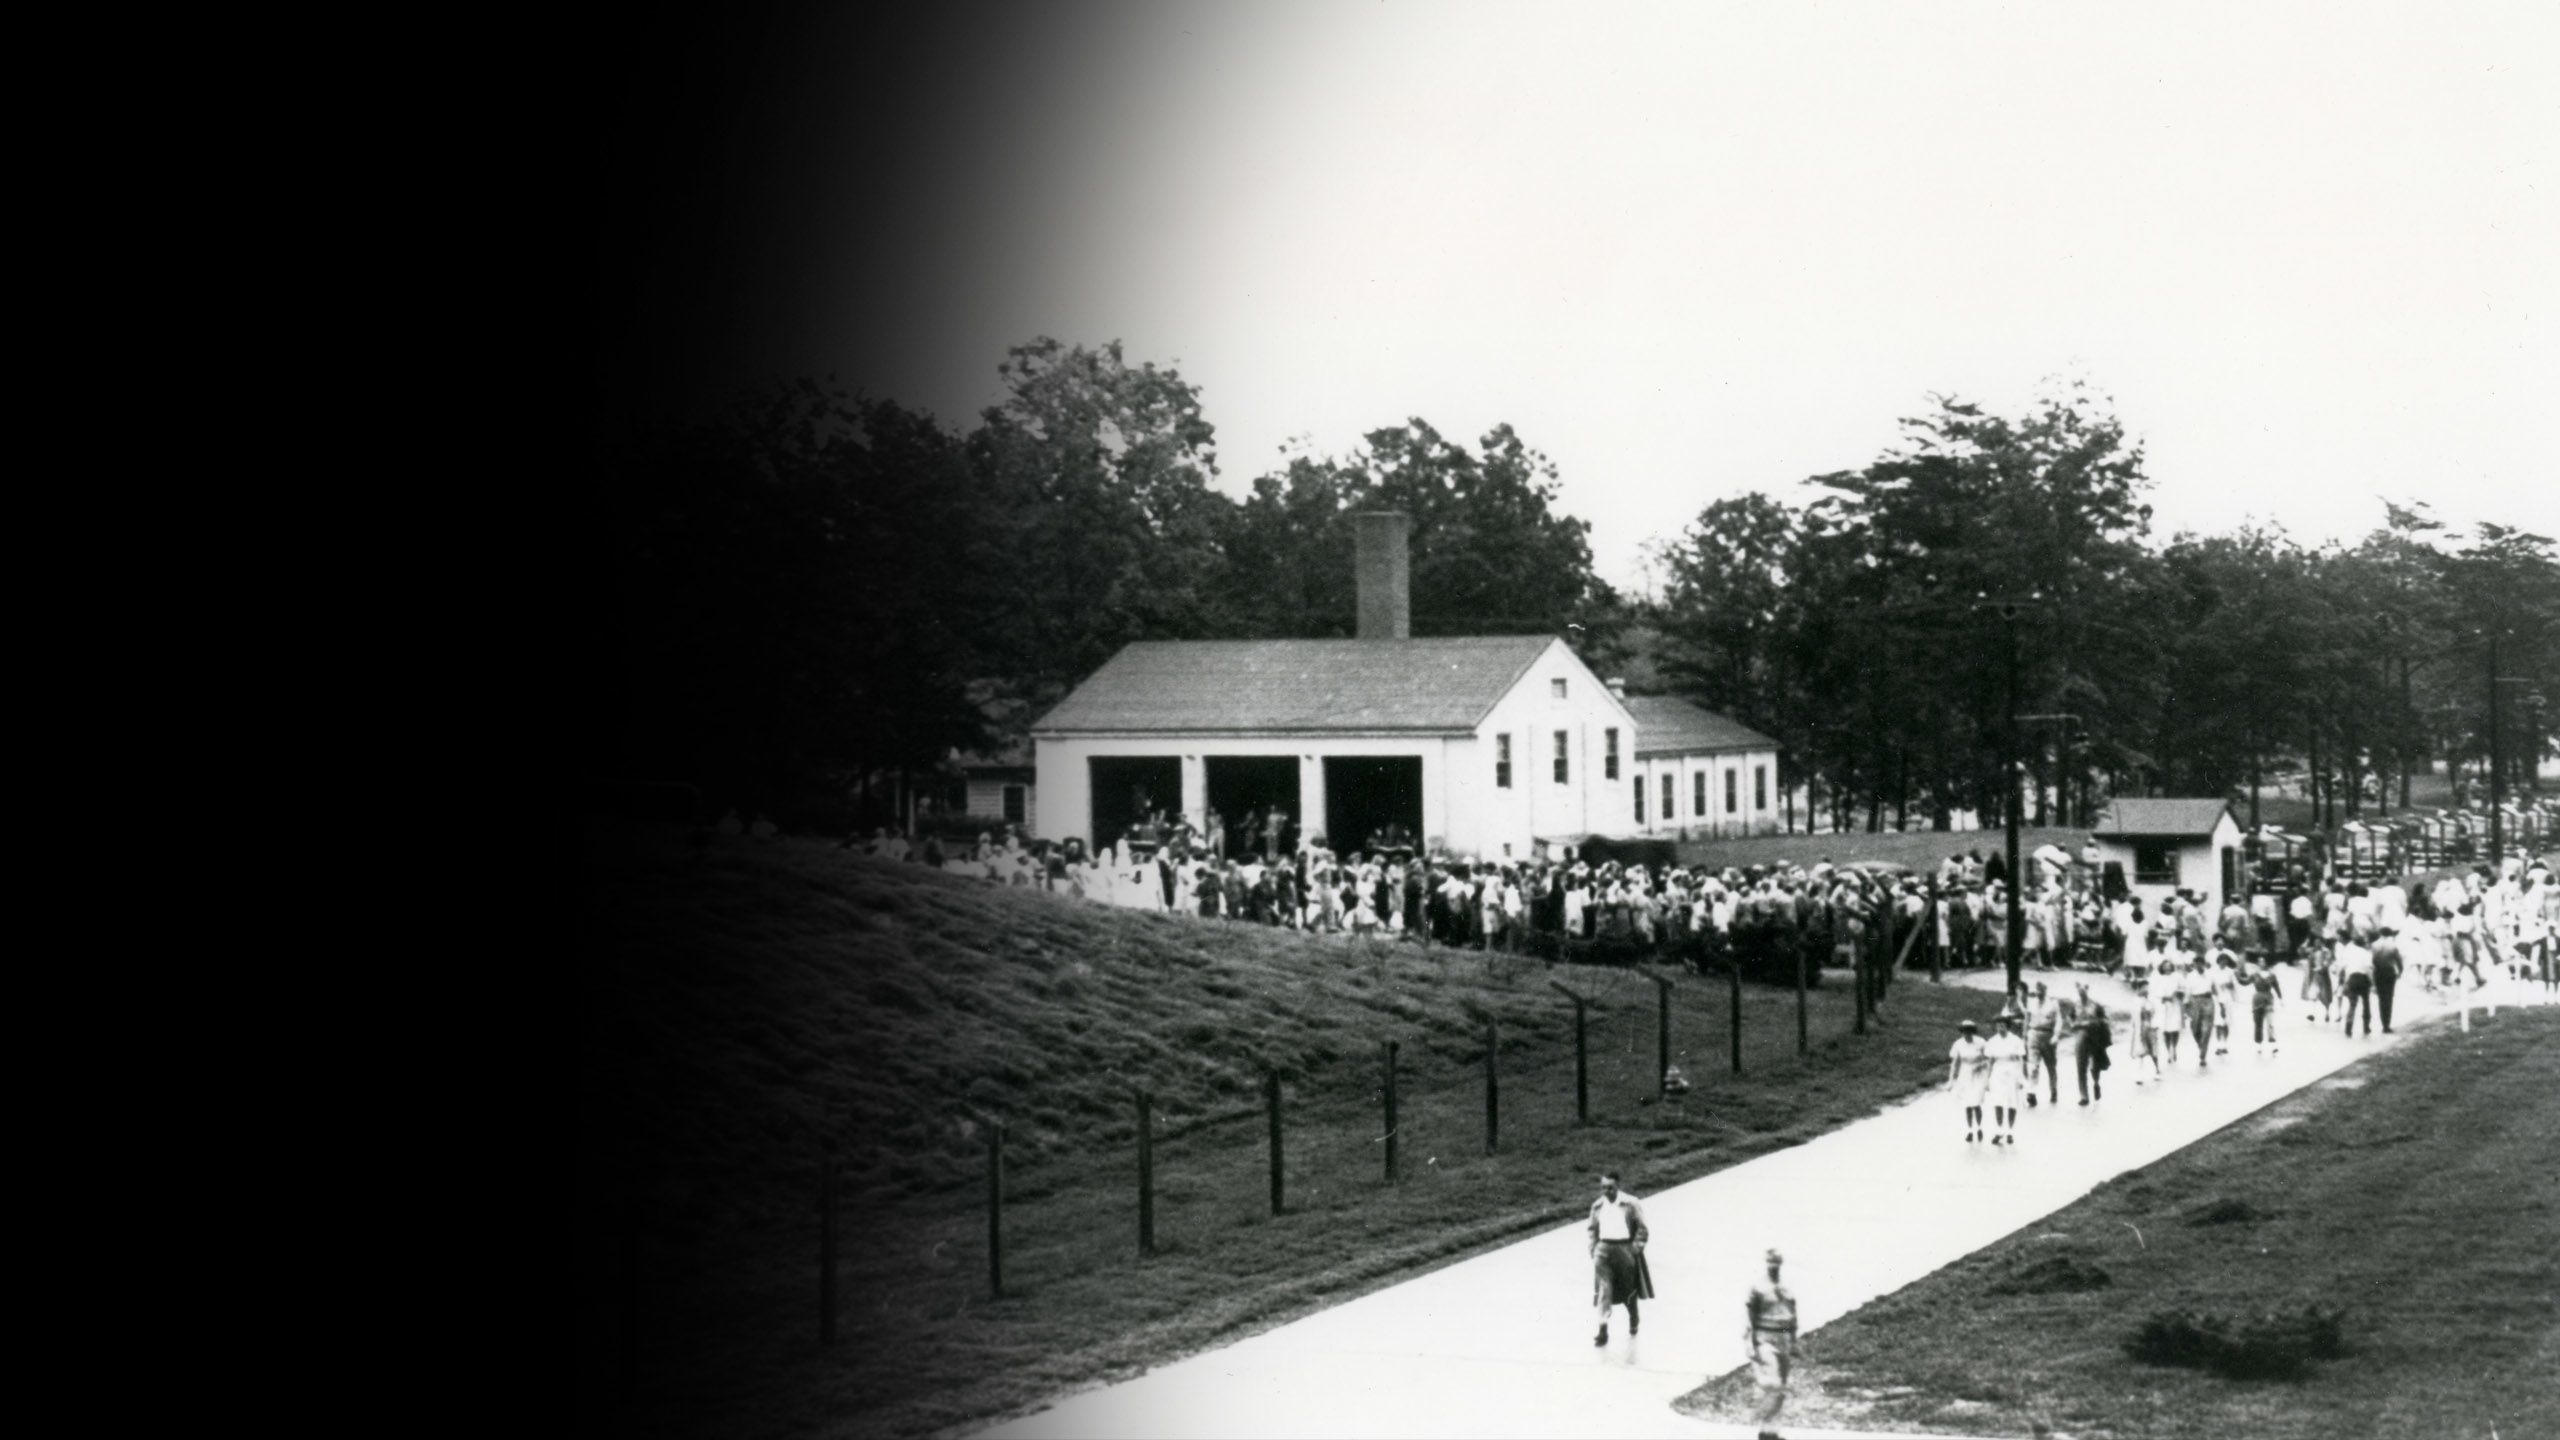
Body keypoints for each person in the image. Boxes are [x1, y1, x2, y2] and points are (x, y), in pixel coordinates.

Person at [1588, 1168, 1652, 1346]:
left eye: (1610, 1188)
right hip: (1603, 1249)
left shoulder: (1631, 1203)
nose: (1606, 1192)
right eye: (1603, 1188)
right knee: (1604, 1289)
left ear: (1618, 1186)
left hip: (1624, 1249)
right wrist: (1593, 1249)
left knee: (1627, 1290)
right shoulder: (1597, 1206)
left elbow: (1642, 1228)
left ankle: (1633, 1316)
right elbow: (1592, 1229)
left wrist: (1636, 1248)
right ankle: (1603, 1329)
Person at [1744, 1248, 1798, 1440]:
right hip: (1764, 1338)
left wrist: (1793, 1341)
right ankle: (1763, 1426)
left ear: (1781, 1264)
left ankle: (1770, 1431)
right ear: (1766, 1263)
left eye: (1777, 1262)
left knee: (1781, 1387)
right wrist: (1749, 1342)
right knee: (1773, 1383)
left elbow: (1792, 1316)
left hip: (1782, 1337)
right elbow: (1749, 1317)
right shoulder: (1758, 1287)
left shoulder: (1787, 1288)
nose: (1773, 1265)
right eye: (1770, 1262)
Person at [1984, 1011, 2030, 1145]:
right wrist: (1987, 1079)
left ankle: (2010, 1131)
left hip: (2012, 1071)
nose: (2000, 1028)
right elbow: (1990, 1062)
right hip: (1998, 1072)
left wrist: (2021, 1078)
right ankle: (1999, 1130)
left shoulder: (2016, 1040)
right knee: (1998, 1102)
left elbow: (2021, 1060)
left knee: (2011, 1102)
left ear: (2008, 1026)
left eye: (2003, 1025)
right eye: (1998, 1025)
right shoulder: (1992, 1041)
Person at [1947, 1019, 1990, 1143]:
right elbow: (1954, 1063)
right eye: (1964, 1031)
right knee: (1967, 1103)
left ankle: (1979, 1128)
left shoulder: (1981, 1042)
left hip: (1979, 1073)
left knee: (1976, 1103)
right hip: (1965, 1073)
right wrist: (1951, 1080)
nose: (1967, 1034)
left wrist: (1981, 1065)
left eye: (1969, 1031)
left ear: (1973, 1032)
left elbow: (1989, 1058)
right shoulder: (1958, 1044)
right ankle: (1970, 1130)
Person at [2024, 982, 2064, 1109]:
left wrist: (2056, 1035)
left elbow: (2059, 1021)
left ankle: (2053, 1090)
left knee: (2050, 1066)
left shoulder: (2053, 1003)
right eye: (2037, 990)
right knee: (2033, 1066)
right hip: (2034, 1034)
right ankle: (2032, 1093)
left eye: (2041, 990)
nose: (2039, 992)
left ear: (2046, 990)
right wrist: (2024, 1036)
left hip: (2047, 1036)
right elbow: (2026, 1020)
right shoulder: (2031, 1003)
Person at [2072, 982, 2111, 1104]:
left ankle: (2096, 1083)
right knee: (2080, 1065)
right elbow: (2070, 1018)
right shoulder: (2075, 1005)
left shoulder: (2095, 1005)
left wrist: (2095, 1022)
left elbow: (2104, 1018)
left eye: (2083, 990)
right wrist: (2073, 1024)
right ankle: (2084, 1096)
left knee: (2095, 1065)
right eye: (2079, 991)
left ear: (2087, 990)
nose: (2081, 993)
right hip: (2080, 1036)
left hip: (2094, 1036)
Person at [2335, 931, 2375, 1038]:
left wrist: (2341, 980)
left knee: (2352, 1004)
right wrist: (2372, 982)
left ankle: (2348, 1028)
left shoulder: (2349, 953)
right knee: (2366, 1003)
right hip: (2363, 979)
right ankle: (2366, 1026)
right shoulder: (2367, 953)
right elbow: (2369, 969)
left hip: (2352, 979)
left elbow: (2341, 968)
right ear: (2363, 944)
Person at [2370, 924, 2404, 1034]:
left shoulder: (2374, 945)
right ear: (2389, 934)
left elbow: (2370, 961)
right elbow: (2399, 961)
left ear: (2380, 934)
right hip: (2389, 973)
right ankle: (2386, 1025)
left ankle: (2382, 1022)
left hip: (2378, 972)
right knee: (2388, 999)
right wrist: (2400, 972)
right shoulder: (2393, 946)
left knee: (2381, 999)